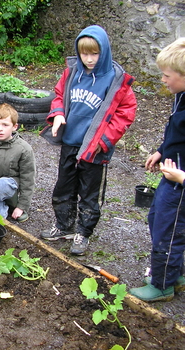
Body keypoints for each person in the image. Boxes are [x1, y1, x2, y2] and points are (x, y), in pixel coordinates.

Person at [40, 25, 137, 255]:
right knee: (64, 187)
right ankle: (64, 226)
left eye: (95, 53)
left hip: (94, 149)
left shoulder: (116, 80)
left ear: (104, 51)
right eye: (84, 53)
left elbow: (126, 113)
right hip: (70, 143)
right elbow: (59, 96)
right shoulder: (73, 72)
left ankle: (83, 233)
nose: (89, 59)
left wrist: (104, 141)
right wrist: (58, 114)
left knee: (89, 193)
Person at [129, 37, 185, 302]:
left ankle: (163, 284)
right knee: (157, 220)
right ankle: (177, 272)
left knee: (168, 230)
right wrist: (162, 150)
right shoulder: (180, 96)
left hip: (180, 182)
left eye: (166, 76)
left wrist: (182, 177)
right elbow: (175, 133)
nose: (163, 80)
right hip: (172, 174)